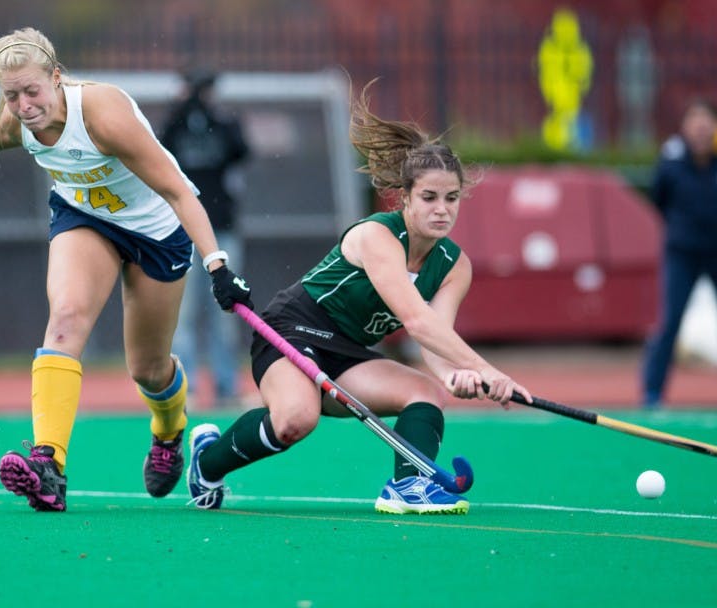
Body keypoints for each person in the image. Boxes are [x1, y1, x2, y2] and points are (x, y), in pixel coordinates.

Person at [0, 27, 253, 512]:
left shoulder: (103, 115)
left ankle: (169, 430)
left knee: (149, 370)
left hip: (157, 232)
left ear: (56, 77)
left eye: (32, 91)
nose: (24, 105)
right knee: (66, 319)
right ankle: (48, 465)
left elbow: (178, 189)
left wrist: (217, 264)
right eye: (11, 96)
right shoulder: (21, 117)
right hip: (85, 219)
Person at [184, 82, 533, 515]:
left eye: (451, 198)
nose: (441, 209)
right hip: (292, 331)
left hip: (347, 353)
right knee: (296, 420)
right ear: (404, 197)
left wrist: (455, 377)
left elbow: (434, 338)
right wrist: (485, 367)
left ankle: (408, 486)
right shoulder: (378, 236)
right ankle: (207, 463)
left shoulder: (454, 266)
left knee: (424, 392)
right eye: (428, 197)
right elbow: (416, 320)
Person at [641, 99, 717, 409]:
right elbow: (659, 198)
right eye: (695, 122)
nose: (701, 130)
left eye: (708, 123)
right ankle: (652, 391)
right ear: (684, 129)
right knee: (669, 322)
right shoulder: (671, 160)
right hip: (683, 253)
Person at [161, 68, 251, 407]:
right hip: (180, 232)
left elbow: (242, 149)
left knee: (226, 311)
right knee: (181, 314)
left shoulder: (223, 123)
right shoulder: (175, 125)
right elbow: (159, 147)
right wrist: (183, 109)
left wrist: (210, 112)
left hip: (222, 229)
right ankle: (187, 389)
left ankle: (227, 385)